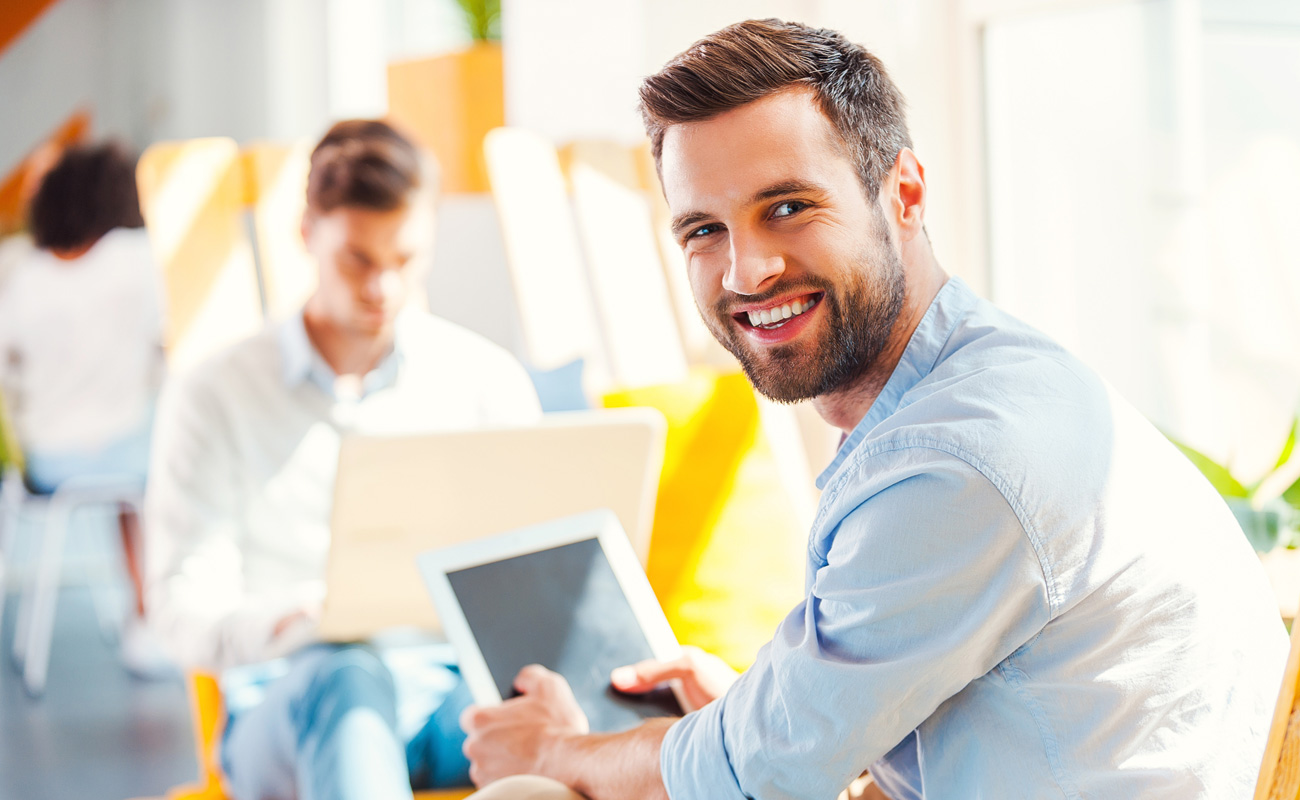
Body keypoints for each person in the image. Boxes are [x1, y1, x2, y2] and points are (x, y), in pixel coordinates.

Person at [456, 19, 1289, 800]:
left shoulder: (958, 461)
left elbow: (758, 773)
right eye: (703, 230)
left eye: (787, 206)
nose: (746, 272)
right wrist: (785, 709)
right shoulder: (989, 383)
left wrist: (554, 751)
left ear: (907, 192)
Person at [144, 119, 541, 800]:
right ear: (307, 234)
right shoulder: (215, 394)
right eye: (357, 259)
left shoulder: (484, 379)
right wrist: (296, 620)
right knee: (345, 672)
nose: (383, 287)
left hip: (447, 701)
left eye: (406, 260)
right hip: (292, 701)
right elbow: (182, 612)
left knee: (560, 699)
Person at [0, 142, 167, 677]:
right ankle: (148, 616)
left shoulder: (27, 276)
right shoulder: (137, 260)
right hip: (129, 459)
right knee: (151, 472)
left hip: (48, 465)